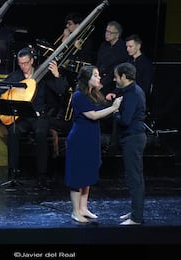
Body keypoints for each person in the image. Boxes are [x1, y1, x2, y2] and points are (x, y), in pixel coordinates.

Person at [0, 47, 68, 187]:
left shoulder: (43, 76)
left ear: (32, 61)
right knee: (13, 131)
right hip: (23, 117)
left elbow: (61, 90)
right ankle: (13, 173)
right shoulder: (16, 76)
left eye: (26, 63)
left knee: (40, 133)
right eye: (20, 63)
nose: (23, 66)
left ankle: (42, 175)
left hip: (40, 116)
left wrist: (57, 75)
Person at [65, 65, 122, 223]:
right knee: (77, 174)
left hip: (90, 137)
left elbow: (99, 108)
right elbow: (93, 115)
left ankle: (83, 208)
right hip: (80, 139)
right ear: (86, 79)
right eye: (95, 75)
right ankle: (75, 211)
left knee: (88, 172)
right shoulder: (78, 96)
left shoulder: (93, 94)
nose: (99, 78)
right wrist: (114, 108)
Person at [111, 62, 147, 225]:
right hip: (133, 137)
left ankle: (136, 217)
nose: (114, 79)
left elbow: (125, 121)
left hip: (133, 138)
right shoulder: (130, 90)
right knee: (133, 176)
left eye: (116, 76)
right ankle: (135, 211)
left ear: (124, 77)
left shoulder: (132, 93)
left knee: (134, 178)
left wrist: (115, 111)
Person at [96, 21, 129, 96]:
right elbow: (98, 63)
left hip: (112, 82)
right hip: (100, 78)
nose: (107, 34)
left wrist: (102, 83)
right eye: (106, 31)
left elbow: (116, 69)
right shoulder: (104, 45)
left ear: (117, 35)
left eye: (110, 32)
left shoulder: (122, 48)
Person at [125, 34, 153, 110]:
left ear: (138, 46)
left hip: (137, 98)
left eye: (130, 46)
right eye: (127, 47)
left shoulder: (146, 64)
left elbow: (145, 87)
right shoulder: (128, 61)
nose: (128, 49)